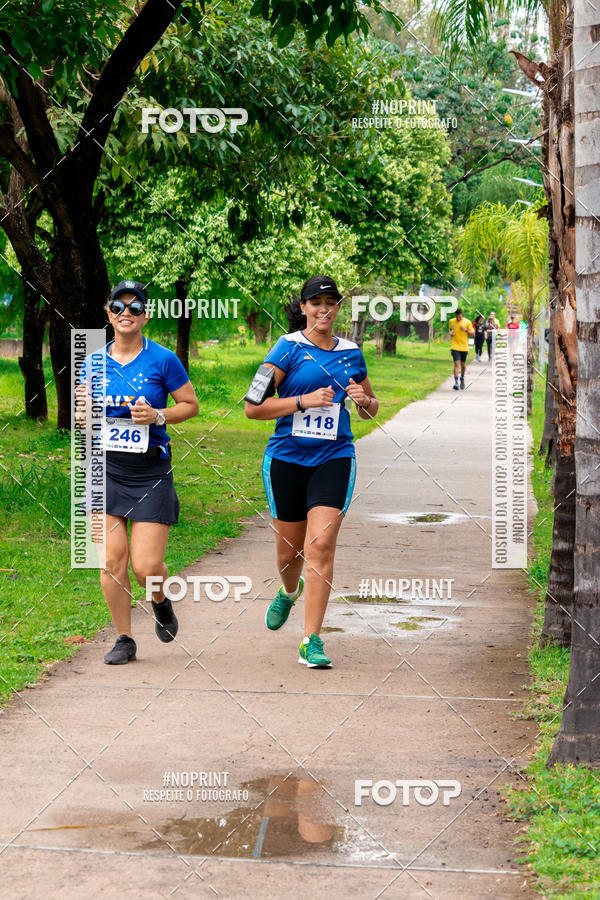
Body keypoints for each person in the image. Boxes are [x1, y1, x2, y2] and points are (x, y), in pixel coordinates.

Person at [245, 275, 378, 669]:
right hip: (286, 459)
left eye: (330, 302)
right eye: (316, 302)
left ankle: (311, 640)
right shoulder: (286, 349)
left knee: (320, 545)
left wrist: (364, 400)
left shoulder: (352, 353)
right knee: (290, 553)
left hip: (334, 457)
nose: (324, 309)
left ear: (338, 308)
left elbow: (370, 409)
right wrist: (302, 401)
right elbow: (252, 407)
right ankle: (289, 590)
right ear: (303, 307)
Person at [76, 280, 199, 665]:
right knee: (111, 561)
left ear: (146, 315)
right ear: (108, 313)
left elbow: (190, 405)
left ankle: (159, 599)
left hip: (149, 471)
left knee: (145, 568)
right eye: (118, 306)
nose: (125, 313)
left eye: (135, 307)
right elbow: (83, 419)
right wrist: (83, 412)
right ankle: (124, 639)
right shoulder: (92, 361)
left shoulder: (163, 359)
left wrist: (158, 415)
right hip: (105, 469)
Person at [448, 307, 474, 390]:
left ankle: (462, 378)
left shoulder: (467, 322)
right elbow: (450, 329)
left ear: (462, 315)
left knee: (463, 365)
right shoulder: (451, 321)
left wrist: (465, 330)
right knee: (456, 364)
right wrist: (450, 333)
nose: (458, 318)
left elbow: (473, 334)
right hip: (455, 346)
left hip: (464, 347)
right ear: (455, 315)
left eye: (459, 317)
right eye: (457, 317)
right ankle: (456, 383)